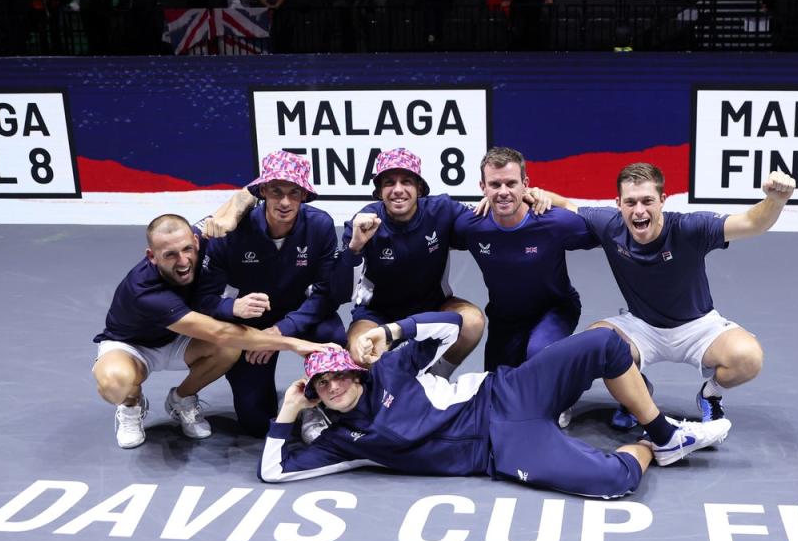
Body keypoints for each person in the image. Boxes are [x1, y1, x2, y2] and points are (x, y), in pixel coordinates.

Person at [258, 311, 732, 497]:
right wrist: (286, 412)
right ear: (315, 394)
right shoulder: (344, 441)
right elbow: (274, 472)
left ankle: (668, 436)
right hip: (500, 450)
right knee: (611, 481)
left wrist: (393, 332)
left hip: (505, 392)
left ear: (356, 371)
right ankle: (651, 448)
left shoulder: (389, 369)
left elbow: (456, 325)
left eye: (339, 374)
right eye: (322, 385)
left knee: (605, 344)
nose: (334, 386)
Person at [550, 163, 797, 426]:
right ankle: (637, 394)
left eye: (647, 201)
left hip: (698, 327)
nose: (639, 210)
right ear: (618, 203)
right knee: (594, 345)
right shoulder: (610, 225)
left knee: (748, 357)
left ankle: (710, 396)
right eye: (631, 202)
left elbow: (752, 223)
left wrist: (776, 200)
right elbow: (565, 206)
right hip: (641, 326)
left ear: (662, 201)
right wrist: (531, 193)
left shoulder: (689, 228)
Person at [92, 214, 331, 449]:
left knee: (229, 350)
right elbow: (220, 332)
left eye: (187, 249)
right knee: (115, 383)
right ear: (152, 257)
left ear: (196, 241)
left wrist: (234, 210)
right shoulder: (144, 291)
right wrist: (293, 343)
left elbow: (240, 200)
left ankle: (182, 399)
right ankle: (131, 404)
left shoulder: (204, 236)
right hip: (133, 346)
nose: (183, 261)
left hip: (179, 340)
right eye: (170, 255)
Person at [193, 150, 347, 436]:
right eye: (276, 191)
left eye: (294, 192)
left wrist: (280, 332)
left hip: (299, 316)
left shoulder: (321, 226)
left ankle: (315, 404)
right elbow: (204, 299)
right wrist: (232, 308)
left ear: (303, 195)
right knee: (253, 422)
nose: (285, 202)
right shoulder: (233, 232)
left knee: (333, 337)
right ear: (263, 191)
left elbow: (326, 294)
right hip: (249, 322)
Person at [450, 146, 599, 427]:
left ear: (526, 185)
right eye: (495, 184)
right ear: (482, 187)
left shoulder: (554, 222)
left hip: (555, 309)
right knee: (499, 397)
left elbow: (605, 228)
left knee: (539, 357)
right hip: (505, 319)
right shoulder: (470, 226)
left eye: (511, 183)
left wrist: (556, 199)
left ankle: (569, 388)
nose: (503, 191)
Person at [337, 147, 486, 378]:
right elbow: (340, 289)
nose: (398, 190)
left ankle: (437, 377)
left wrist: (524, 198)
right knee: (360, 352)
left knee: (472, 321)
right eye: (389, 183)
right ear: (379, 191)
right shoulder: (363, 222)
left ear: (419, 188)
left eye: (406, 181)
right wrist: (355, 246)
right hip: (378, 313)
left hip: (434, 308)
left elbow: (487, 221)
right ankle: (383, 396)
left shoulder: (442, 209)